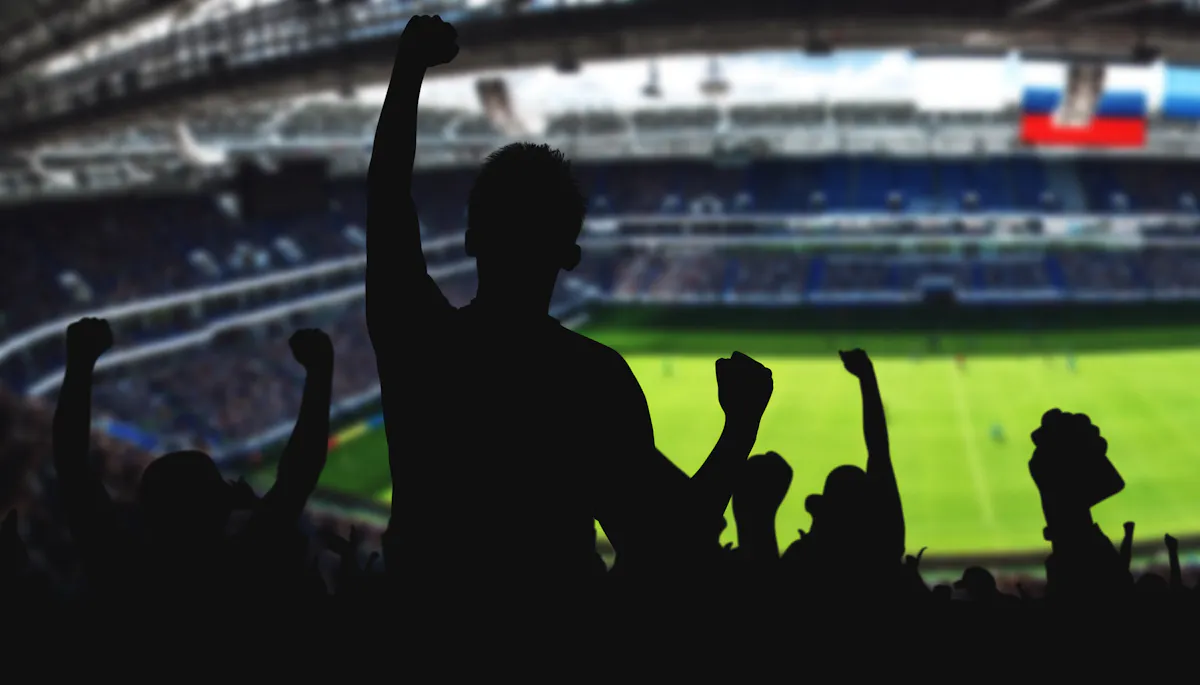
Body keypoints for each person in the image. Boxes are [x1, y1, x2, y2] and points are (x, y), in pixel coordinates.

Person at [366, 15, 774, 594]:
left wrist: (408, 69)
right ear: (570, 256)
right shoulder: (594, 379)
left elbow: (385, 203)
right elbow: (671, 537)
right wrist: (740, 425)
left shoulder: (419, 344)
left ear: (470, 239)